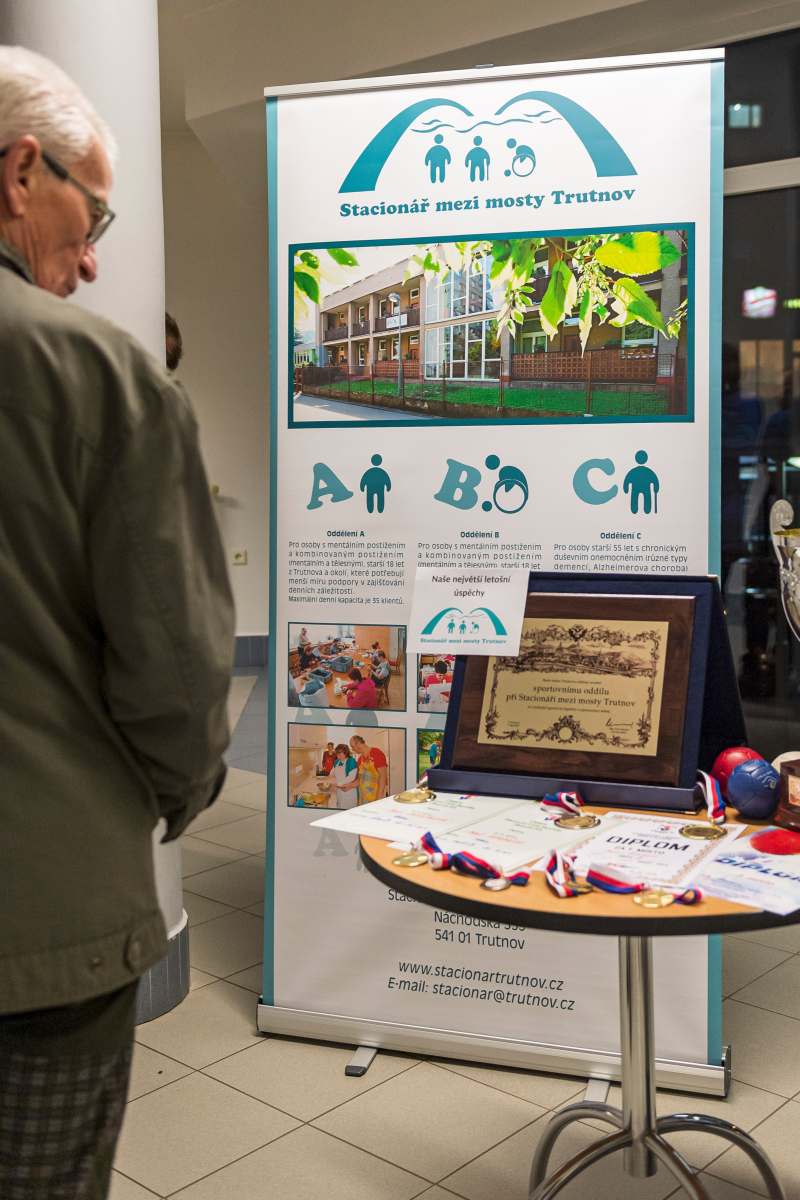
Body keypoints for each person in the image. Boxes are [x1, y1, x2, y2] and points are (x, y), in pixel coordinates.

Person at [0, 47, 235, 1200]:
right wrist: (173, 794)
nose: (93, 258)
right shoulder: (92, 371)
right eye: (92, 216)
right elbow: (175, 668)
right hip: (39, 927)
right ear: (19, 174)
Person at [350, 734, 388, 803]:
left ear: (358, 743)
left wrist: (378, 799)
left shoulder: (376, 753)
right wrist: (348, 786)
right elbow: (360, 780)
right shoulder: (360, 760)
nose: (352, 749)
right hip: (363, 798)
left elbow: (383, 777)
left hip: (376, 797)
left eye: (353, 747)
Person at [330, 743, 359, 808]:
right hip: (339, 790)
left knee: (348, 809)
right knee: (340, 806)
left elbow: (351, 777)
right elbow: (332, 773)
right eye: (337, 754)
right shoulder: (337, 762)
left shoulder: (351, 761)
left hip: (349, 789)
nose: (338, 756)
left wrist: (338, 784)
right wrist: (330, 782)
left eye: (340, 754)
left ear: (346, 753)